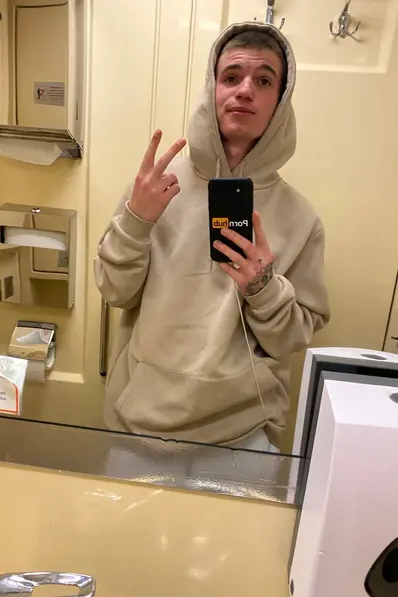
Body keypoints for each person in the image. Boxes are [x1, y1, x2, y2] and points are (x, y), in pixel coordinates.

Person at [94, 21, 330, 454]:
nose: (245, 91)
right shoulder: (155, 189)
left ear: (280, 100)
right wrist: (136, 221)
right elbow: (114, 292)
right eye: (231, 77)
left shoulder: (301, 220)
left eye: (263, 81)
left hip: (244, 434)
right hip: (138, 423)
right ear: (212, 88)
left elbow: (291, 340)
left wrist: (263, 287)